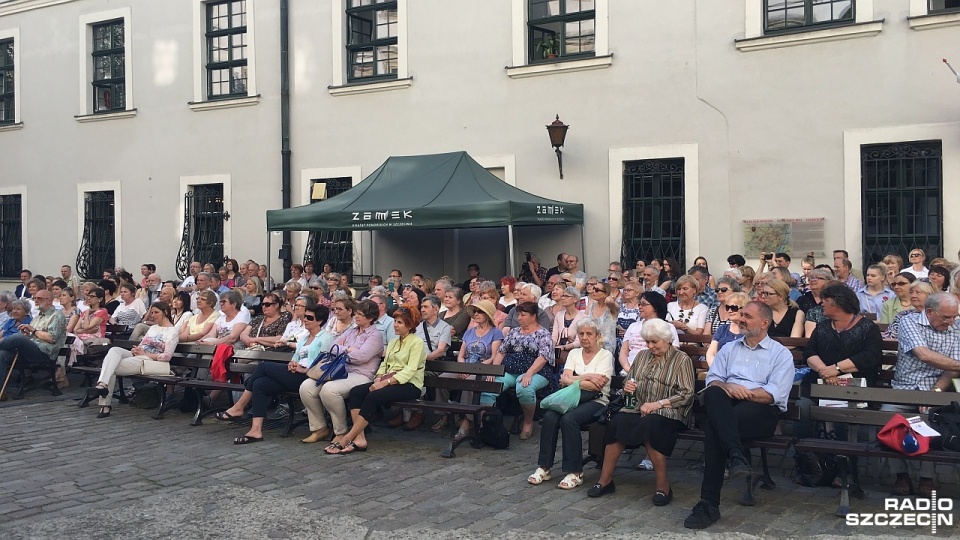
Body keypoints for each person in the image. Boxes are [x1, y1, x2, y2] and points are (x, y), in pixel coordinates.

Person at [683, 302, 795, 530]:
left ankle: (708, 504)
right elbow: (713, 379)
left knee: (715, 427)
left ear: (765, 323)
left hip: (761, 412)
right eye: (740, 314)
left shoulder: (780, 354)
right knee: (714, 393)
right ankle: (735, 455)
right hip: (728, 405)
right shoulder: (730, 348)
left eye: (747, 316)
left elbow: (775, 393)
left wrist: (747, 393)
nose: (740, 319)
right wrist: (729, 387)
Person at [588, 318, 694, 503]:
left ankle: (663, 486)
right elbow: (631, 379)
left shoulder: (681, 359)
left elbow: (687, 394)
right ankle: (605, 481)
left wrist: (658, 404)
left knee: (650, 425)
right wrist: (628, 386)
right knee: (617, 423)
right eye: (648, 342)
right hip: (639, 406)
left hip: (669, 410)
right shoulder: (642, 356)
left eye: (655, 341)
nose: (651, 346)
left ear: (667, 339)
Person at [219, 305, 333, 443]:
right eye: (305, 317)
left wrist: (303, 369)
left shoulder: (326, 338)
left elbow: (323, 363)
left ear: (320, 321)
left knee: (264, 366)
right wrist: (292, 364)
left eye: (310, 318)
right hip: (295, 374)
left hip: (309, 377)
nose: (306, 320)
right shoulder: (304, 338)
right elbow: (295, 358)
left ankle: (239, 407)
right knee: (260, 384)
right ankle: (255, 430)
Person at [884, 293, 960, 496]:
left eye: (954, 316)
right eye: (946, 317)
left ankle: (927, 478)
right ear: (929, 312)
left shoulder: (957, 325)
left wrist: (934, 393)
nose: (951, 322)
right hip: (905, 388)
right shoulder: (909, 322)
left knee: (929, 422)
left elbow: (953, 368)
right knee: (888, 419)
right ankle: (900, 475)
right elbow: (923, 355)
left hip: (937, 389)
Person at [326, 305, 426, 454]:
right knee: (356, 392)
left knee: (373, 396)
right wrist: (378, 378)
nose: (395, 326)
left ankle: (347, 438)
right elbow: (384, 364)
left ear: (410, 325)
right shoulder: (393, 342)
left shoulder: (417, 343)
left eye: (400, 323)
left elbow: (410, 370)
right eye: (395, 322)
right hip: (388, 381)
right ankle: (360, 438)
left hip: (409, 385)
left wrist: (385, 383)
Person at [529, 320, 614, 491]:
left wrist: (574, 379)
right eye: (581, 334)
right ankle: (544, 467)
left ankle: (575, 471)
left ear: (598, 336)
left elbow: (596, 386)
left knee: (569, 419)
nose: (584, 337)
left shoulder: (605, 355)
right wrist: (589, 376)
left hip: (596, 400)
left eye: (589, 334)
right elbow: (563, 380)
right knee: (550, 417)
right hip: (570, 399)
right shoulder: (574, 353)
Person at [301, 300, 384, 445]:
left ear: (370, 318)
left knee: (330, 390)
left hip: (361, 375)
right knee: (307, 387)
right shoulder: (351, 331)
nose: (356, 317)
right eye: (356, 313)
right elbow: (333, 347)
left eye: (360, 314)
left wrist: (344, 351)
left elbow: (361, 357)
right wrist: (347, 350)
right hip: (340, 371)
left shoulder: (375, 336)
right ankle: (319, 428)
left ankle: (341, 431)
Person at [81, 302, 179, 418]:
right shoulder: (153, 328)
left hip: (151, 362)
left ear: (165, 312)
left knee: (111, 367)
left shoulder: (172, 331)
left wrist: (144, 353)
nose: (153, 315)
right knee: (114, 351)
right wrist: (137, 350)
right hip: (139, 356)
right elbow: (142, 345)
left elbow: (167, 356)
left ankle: (105, 404)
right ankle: (102, 385)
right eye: (152, 312)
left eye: (156, 312)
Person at [481, 302, 559, 440]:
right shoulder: (514, 332)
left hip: (537, 371)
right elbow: (501, 352)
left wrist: (529, 373)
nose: (519, 318)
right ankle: (488, 424)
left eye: (523, 315)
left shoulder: (543, 334)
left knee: (524, 387)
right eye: (518, 314)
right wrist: (494, 371)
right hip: (510, 370)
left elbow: (543, 358)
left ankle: (528, 422)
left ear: (534, 316)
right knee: (488, 387)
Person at [803, 283, 883, 389]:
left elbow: (870, 356)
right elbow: (809, 352)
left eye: (826, 300)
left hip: (857, 385)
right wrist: (825, 371)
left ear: (839, 303)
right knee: (805, 403)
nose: (821, 304)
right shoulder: (822, 327)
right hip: (820, 381)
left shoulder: (868, 328)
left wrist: (836, 369)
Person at [446, 300, 505, 439]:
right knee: (442, 378)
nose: (476, 314)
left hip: (482, 370)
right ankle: (446, 415)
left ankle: (467, 421)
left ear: (488, 314)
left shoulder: (496, 333)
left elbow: (494, 356)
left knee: (470, 383)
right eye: (475, 312)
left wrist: (474, 370)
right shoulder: (469, 332)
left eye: (480, 312)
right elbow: (461, 355)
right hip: (465, 367)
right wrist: (463, 368)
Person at [0, 290, 66, 400]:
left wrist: (33, 330)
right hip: (30, 350)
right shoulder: (38, 316)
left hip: (44, 353)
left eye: (39, 298)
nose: (36, 301)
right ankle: (1, 392)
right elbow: (31, 335)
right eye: (35, 298)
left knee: (18, 337)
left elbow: (51, 338)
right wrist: (27, 333)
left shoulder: (57, 316)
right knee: (2, 354)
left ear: (49, 301)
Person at [619, 291, 679, 374]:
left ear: (655, 307)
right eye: (639, 304)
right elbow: (623, 353)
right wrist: (627, 369)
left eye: (644, 304)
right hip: (629, 370)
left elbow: (673, 352)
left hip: (655, 372)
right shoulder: (633, 326)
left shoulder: (668, 327)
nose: (639, 307)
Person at [705, 292, 750, 368]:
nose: (729, 311)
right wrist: (716, 368)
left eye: (733, 308)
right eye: (727, 307)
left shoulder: (751, 331)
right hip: (719, 368)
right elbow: (711, 353)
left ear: (744, 309)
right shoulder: (722, 329)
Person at [552, 287, 586, 367]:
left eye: (566, 296)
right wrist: (552, 346)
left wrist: (564, 347)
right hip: (558, 350)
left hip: (574, 351)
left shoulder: (583, 317)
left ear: (575, 299)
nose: (563, 298)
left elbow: (579, 341)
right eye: (563, 296)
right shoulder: (559, 315)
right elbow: (554, 336)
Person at [583, 281, 618, 355]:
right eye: (593, 289)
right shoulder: (591, 305)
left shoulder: (611, 308)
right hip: (591, 345)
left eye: (597, 290)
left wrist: (609, 296)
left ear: (605, 294)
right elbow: (584, 321)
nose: (593, 292)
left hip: (606, 348)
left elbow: (609, 301)